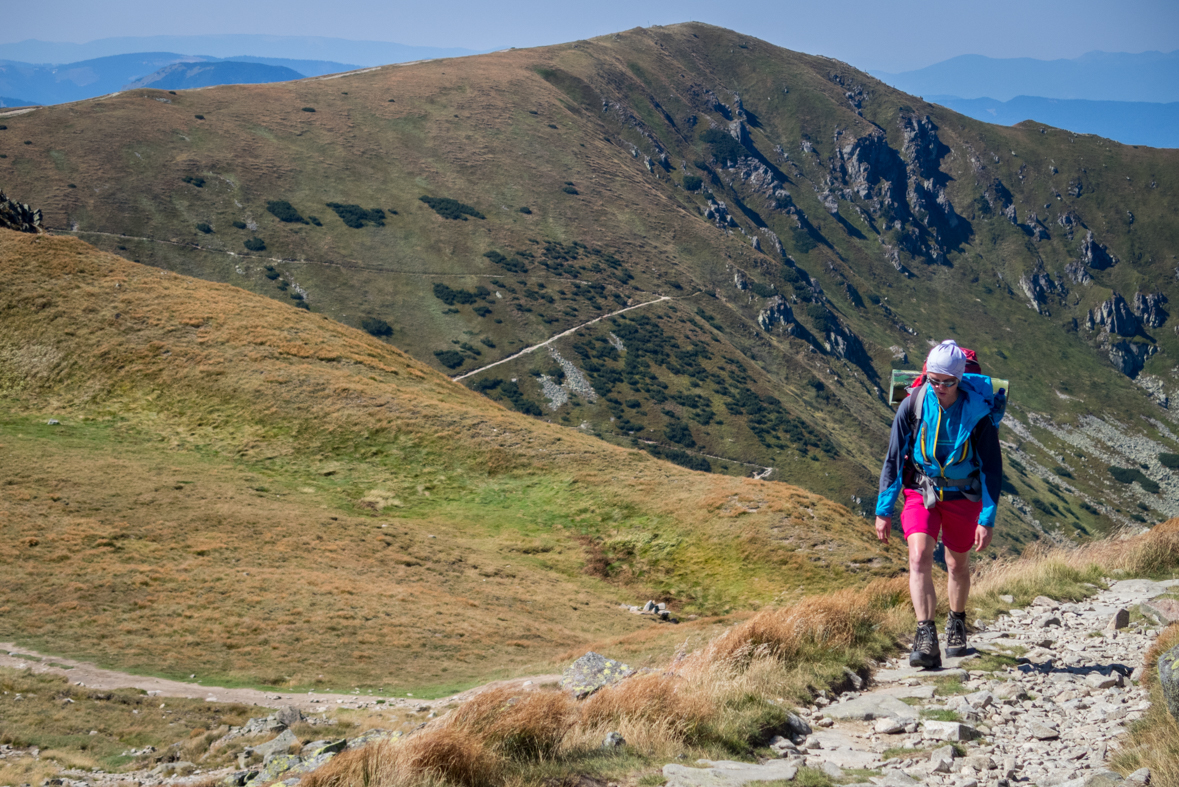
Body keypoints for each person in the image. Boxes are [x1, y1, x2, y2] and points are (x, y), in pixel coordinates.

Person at [874, 340, 1003, 669]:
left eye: (947, 382)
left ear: (959, 379)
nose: (940, 387)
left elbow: (991, 466)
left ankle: (957, 623)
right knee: (918, 557)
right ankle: (926, 637)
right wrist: (883, 510)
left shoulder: (979, 414)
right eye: (934, 380)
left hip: (963, 496)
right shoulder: (913, 403)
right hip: (921, 490)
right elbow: (893, 457)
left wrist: (986, 518)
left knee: (956, 564)